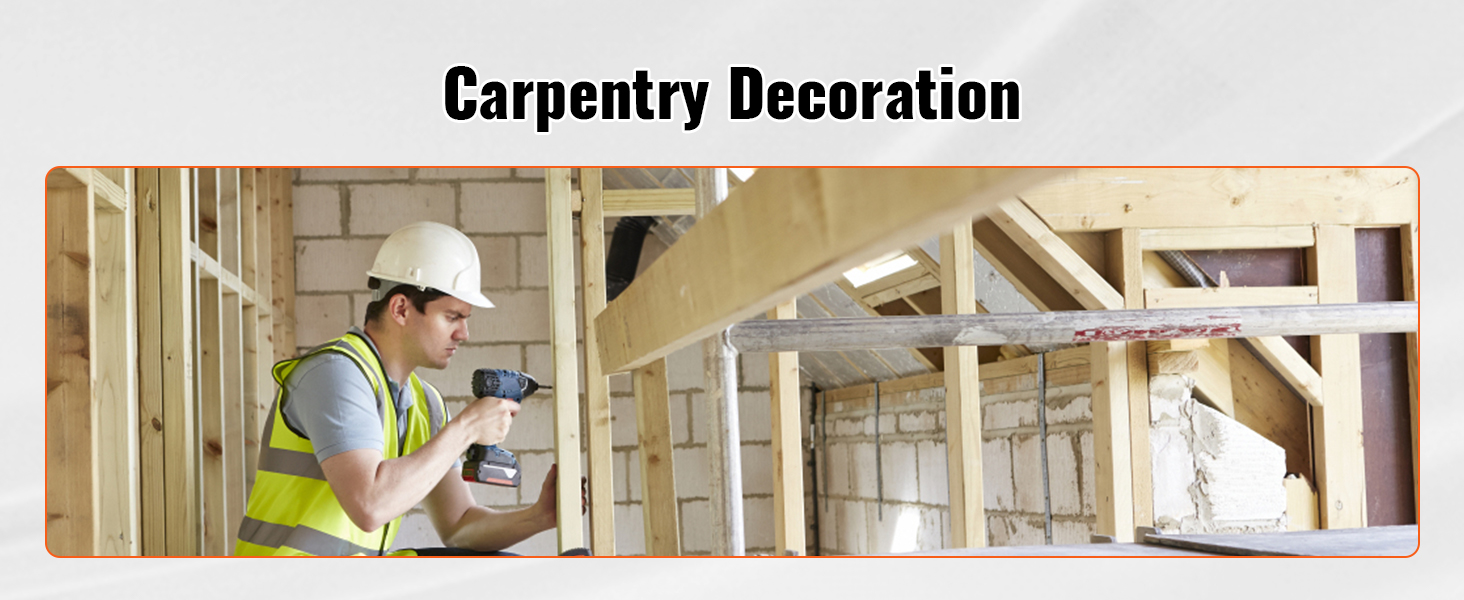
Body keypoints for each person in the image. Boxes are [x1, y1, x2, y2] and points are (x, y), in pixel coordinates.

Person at [235, 221, 580, 556]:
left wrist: (539, 516)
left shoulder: (423, 402)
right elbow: (369, 504)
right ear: (401, 308)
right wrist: (469, 426)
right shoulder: (334, 373)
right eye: (452, 317)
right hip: (287, 584)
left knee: (502, 570)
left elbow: (459, 525)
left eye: (464, 319)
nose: (464, 333)